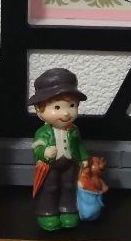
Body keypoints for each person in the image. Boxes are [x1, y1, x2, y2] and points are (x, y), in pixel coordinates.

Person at [29, 67, 89, 232]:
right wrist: (44, 153)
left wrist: (84, 158)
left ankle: (68, 209)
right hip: (51, 165)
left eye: (71, 105)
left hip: (70, 163)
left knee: (69, 186)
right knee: (50, 187)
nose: (66, 113)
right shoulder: (43, 132)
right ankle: (47, 212)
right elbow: (37, 148)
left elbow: (78, 145)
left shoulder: (74, 130)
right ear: (39, 109)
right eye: (57, 107)